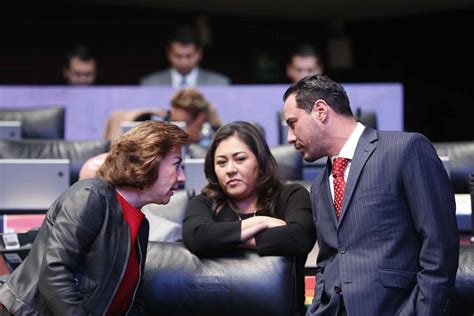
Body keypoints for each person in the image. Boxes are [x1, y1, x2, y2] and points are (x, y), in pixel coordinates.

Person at [282, 74, 459, 315]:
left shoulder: (404, 150)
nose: (290, 137)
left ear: (321, 111)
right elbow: (329, 260)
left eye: (293, 123)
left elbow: (440, 247)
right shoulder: (320, 185)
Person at [0, 120, 188, 315]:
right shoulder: (91, 195)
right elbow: (54, 272)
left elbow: (132, 303)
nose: (182, 177)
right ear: (150, 161)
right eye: (177, 165)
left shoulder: (140, 224)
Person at [182, 121, 316, 315]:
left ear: (260, 163)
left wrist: (224, 239)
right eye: (221, 162)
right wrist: (259, 222)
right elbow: (197, 237)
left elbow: (299, 237)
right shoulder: (205, 202)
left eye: (240, 159)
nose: (230, 169)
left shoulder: (290, 195)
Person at [102, 88, 222, 144]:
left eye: (182, 123)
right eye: (174, 121)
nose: (177, 129)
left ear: (200, 118)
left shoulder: (211, 139)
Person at [140, 26, 230, 87]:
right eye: (178, 56)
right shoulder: (151, 84)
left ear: (200, 54)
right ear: (168, 54)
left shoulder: (218, 84)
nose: (184, 62)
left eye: (189, 56)